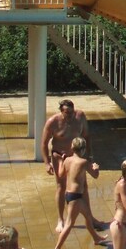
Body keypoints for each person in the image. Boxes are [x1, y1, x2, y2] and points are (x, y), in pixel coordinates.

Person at [41, 99, 99, 233]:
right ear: (61, 112)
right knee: (61, 187)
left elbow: (87, 136)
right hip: (59, 156)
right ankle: (60, 219)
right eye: (67, 113)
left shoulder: (80, 117)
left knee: (84, 186)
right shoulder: (53, 122)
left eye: (72, 112)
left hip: (76, 156)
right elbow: (44, 143)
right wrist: (46, 163)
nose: (70, 116)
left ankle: (90, 218)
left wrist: (89, 156)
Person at [52, 137, 108, 249]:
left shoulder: (67, 160)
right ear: (83, 150)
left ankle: (96, 238)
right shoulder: (84, 162)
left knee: (88, 216)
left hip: (70, 194)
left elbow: (61, 175)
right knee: (69, 224)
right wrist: (96, 168)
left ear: (72, 148)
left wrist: (61, 161)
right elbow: (95, 176)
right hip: (76, 197)